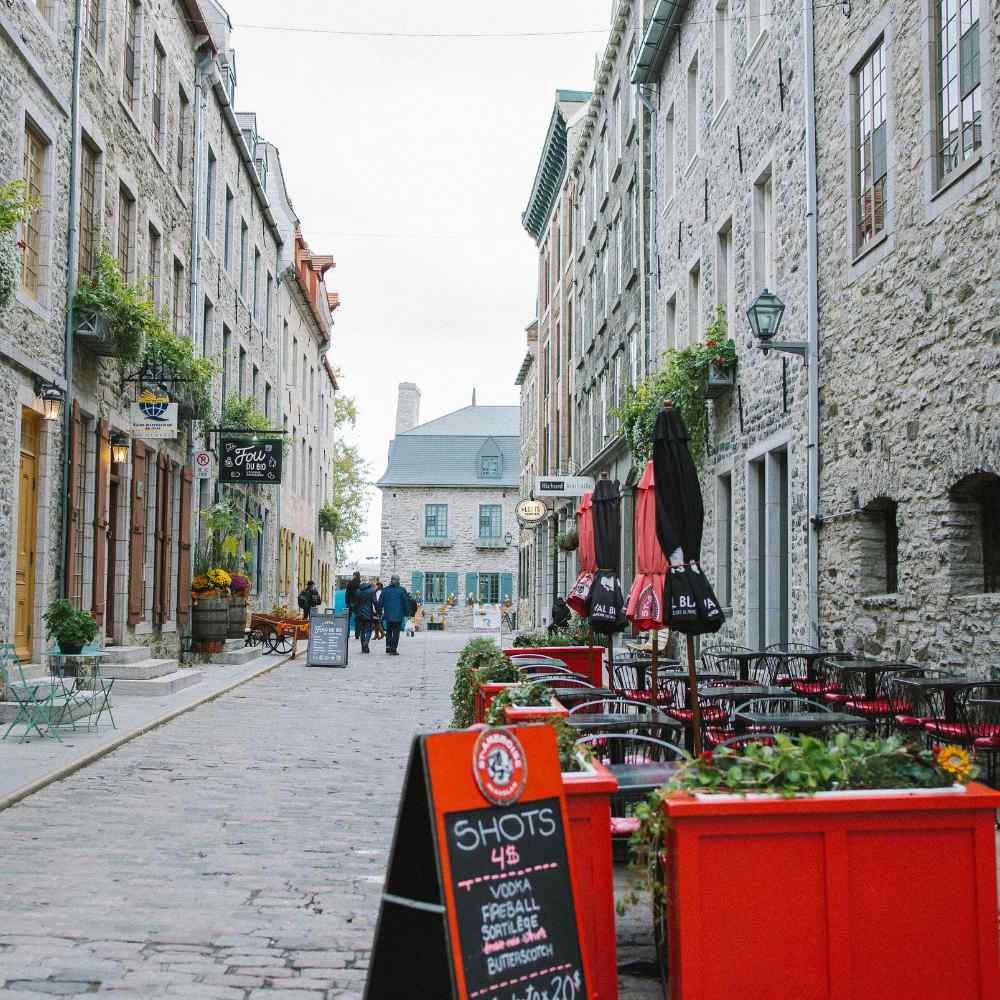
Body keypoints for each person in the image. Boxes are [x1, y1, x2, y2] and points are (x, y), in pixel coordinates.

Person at [379, 575, 412, 655]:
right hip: (398, 615)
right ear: (397, 581)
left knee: (389, 631)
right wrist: (408, 613)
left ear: (391, 580)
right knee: (396, 633)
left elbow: (380, 602)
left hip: (388, 615)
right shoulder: (402, 590)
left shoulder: (385, 590)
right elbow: (405, 603)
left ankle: (388, 647)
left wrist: (379, 612)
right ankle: (393, 649)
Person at [354, 579, 377, 653]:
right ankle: (366, 642)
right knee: (369, 630)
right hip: (368, 613)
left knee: (362, 631)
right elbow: (375, 602)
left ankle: (363, 648)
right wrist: (378, 611)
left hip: (359, 613)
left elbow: (355, 603)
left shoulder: (358, 591)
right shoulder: (372, 590)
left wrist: (356, 612)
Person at [345, 571, 361, 639]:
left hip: (350, 603)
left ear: (354, 576)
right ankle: (357, 634)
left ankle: (347, 634)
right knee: (358, 619)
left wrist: (347, 602)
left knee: (347, 618)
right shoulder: (360, 584)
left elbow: (347, 593)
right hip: (358, 604)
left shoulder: (350, 583)